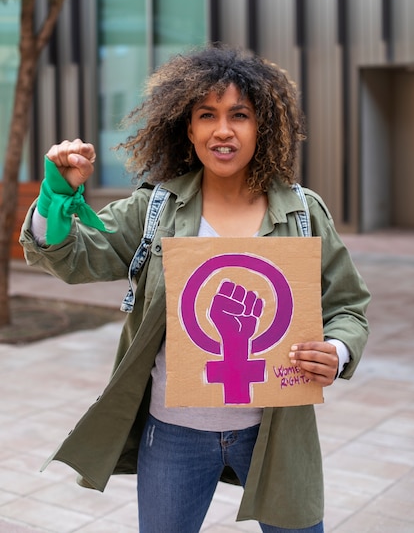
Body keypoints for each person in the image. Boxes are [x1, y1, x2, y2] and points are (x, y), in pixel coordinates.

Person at [20, 44, 370, 533]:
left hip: (274, 430)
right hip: (174, 432)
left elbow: (349, 307)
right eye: (207, 114)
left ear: (261, 126)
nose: (222, 130)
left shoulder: (302, 213)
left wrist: (337, 350)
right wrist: (57, 197)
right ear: (188, 127)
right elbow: (74, 258)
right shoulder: (156, 210)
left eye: (239, 115)